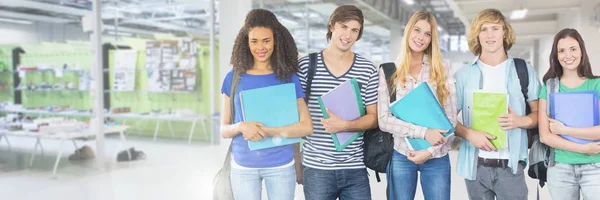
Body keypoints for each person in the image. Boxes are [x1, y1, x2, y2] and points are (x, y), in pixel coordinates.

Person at [219, 9, 313, 200]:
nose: (260, 47)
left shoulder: (288, 78)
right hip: (243, 166)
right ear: (247, 42)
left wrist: (267, 131)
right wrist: (241, 126)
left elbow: (307, 126)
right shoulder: (233, 78)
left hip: (280, 165)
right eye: (254, 41)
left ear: (275, 41)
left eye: (266, 40)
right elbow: (224, 129)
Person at [453, 8, 540, 200]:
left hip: (510, 166)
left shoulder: (523, 71)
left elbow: (538, 114)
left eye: (495, 28)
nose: (489, 35)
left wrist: (520, 121)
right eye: (483, 29)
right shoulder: (463, 75)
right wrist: (469, 134)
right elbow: (448, 118)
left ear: (505, 32)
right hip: (475, 168)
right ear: (477, 35)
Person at [297, 5, 379, 200]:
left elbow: (374, 118)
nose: (348, 35)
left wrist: (345, 125)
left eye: (354, 30)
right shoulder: (306, 66)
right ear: (332, 26)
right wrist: (295, 162)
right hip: (317, 168)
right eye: (343, 26)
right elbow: (295, 116)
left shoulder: (367, 69)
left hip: (354, 168)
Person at [377, 10, 457, 200]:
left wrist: (429, 150)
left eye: (427, 34)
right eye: (417, 30)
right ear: (408, 31)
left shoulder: (442, 68)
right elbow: (384, 120)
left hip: (436, 155)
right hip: (401, 154)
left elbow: (451, 119)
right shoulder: (389, 71)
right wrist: (423, 133)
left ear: (432, 39)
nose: (421, 37)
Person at [538, 28, 600, 200]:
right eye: (562, 50)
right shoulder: (549, 88)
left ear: (581, 51)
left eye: (573, 49)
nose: (568, 55)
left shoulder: (597, 85)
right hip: (560, 168)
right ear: (556, 55)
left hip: (595, 167)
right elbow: (545, 136)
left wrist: (565, 130)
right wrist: (583, 148)